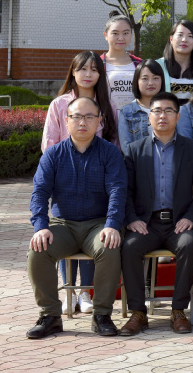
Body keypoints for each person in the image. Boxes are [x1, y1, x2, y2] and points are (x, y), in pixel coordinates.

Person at [26, 97, 125, 339]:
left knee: (109, 247)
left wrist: (112, 224)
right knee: (38, 250)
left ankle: (102, 315)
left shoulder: (110, 153)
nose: (83, 122)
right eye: (77, 117)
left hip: (98, 224)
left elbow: (117, 190)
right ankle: (50, 316)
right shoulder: (53, 155)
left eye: (89, 117)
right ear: (66, 120)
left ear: (99, 121)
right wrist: (41, 226)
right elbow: (39, 193)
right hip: (64, 225)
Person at [118, 92, 193, 336]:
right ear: (149, 117)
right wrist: (132, 219)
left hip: (180, 222)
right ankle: (138, 312)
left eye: (168, 111)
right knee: (129, 247)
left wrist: (191, 217)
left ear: (178, 116)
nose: (162, 116)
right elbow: (125, 191)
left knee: (189, 244)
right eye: (156, 111)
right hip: (147, 223)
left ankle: (178, 310)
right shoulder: (134, 150)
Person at [41, 51, 118, 315]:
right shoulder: (59, 104)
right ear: (73, 73)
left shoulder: (107, 105)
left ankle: (85, 292)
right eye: (82, 69)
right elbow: (49, 144)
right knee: (65, 225)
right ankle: (69, 292)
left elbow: (114, 142)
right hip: (65, 178)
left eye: (94, 69)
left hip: (97, 179)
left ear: (100, 74)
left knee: (93, 230)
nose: (88, 74)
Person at [118, 59, 165, 150]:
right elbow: (126, 148)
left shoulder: (170, 109)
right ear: (137, 81)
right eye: (145, 79)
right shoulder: (126, 111)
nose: (150, 83)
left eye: (155, 78)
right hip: (137, 159)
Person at [101, 12, 141, 112]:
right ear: (106, 35)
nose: (121, 38)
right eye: (115, 33)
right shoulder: (97, 64)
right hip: (106, 119)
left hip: (136, 119)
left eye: (126, 33)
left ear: (131, 35)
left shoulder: (140, 64)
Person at [157, 20, 193, 102]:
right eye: (180, 35)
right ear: (171, 39)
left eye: (190, 36)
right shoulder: (158, 66)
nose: (184, 40)